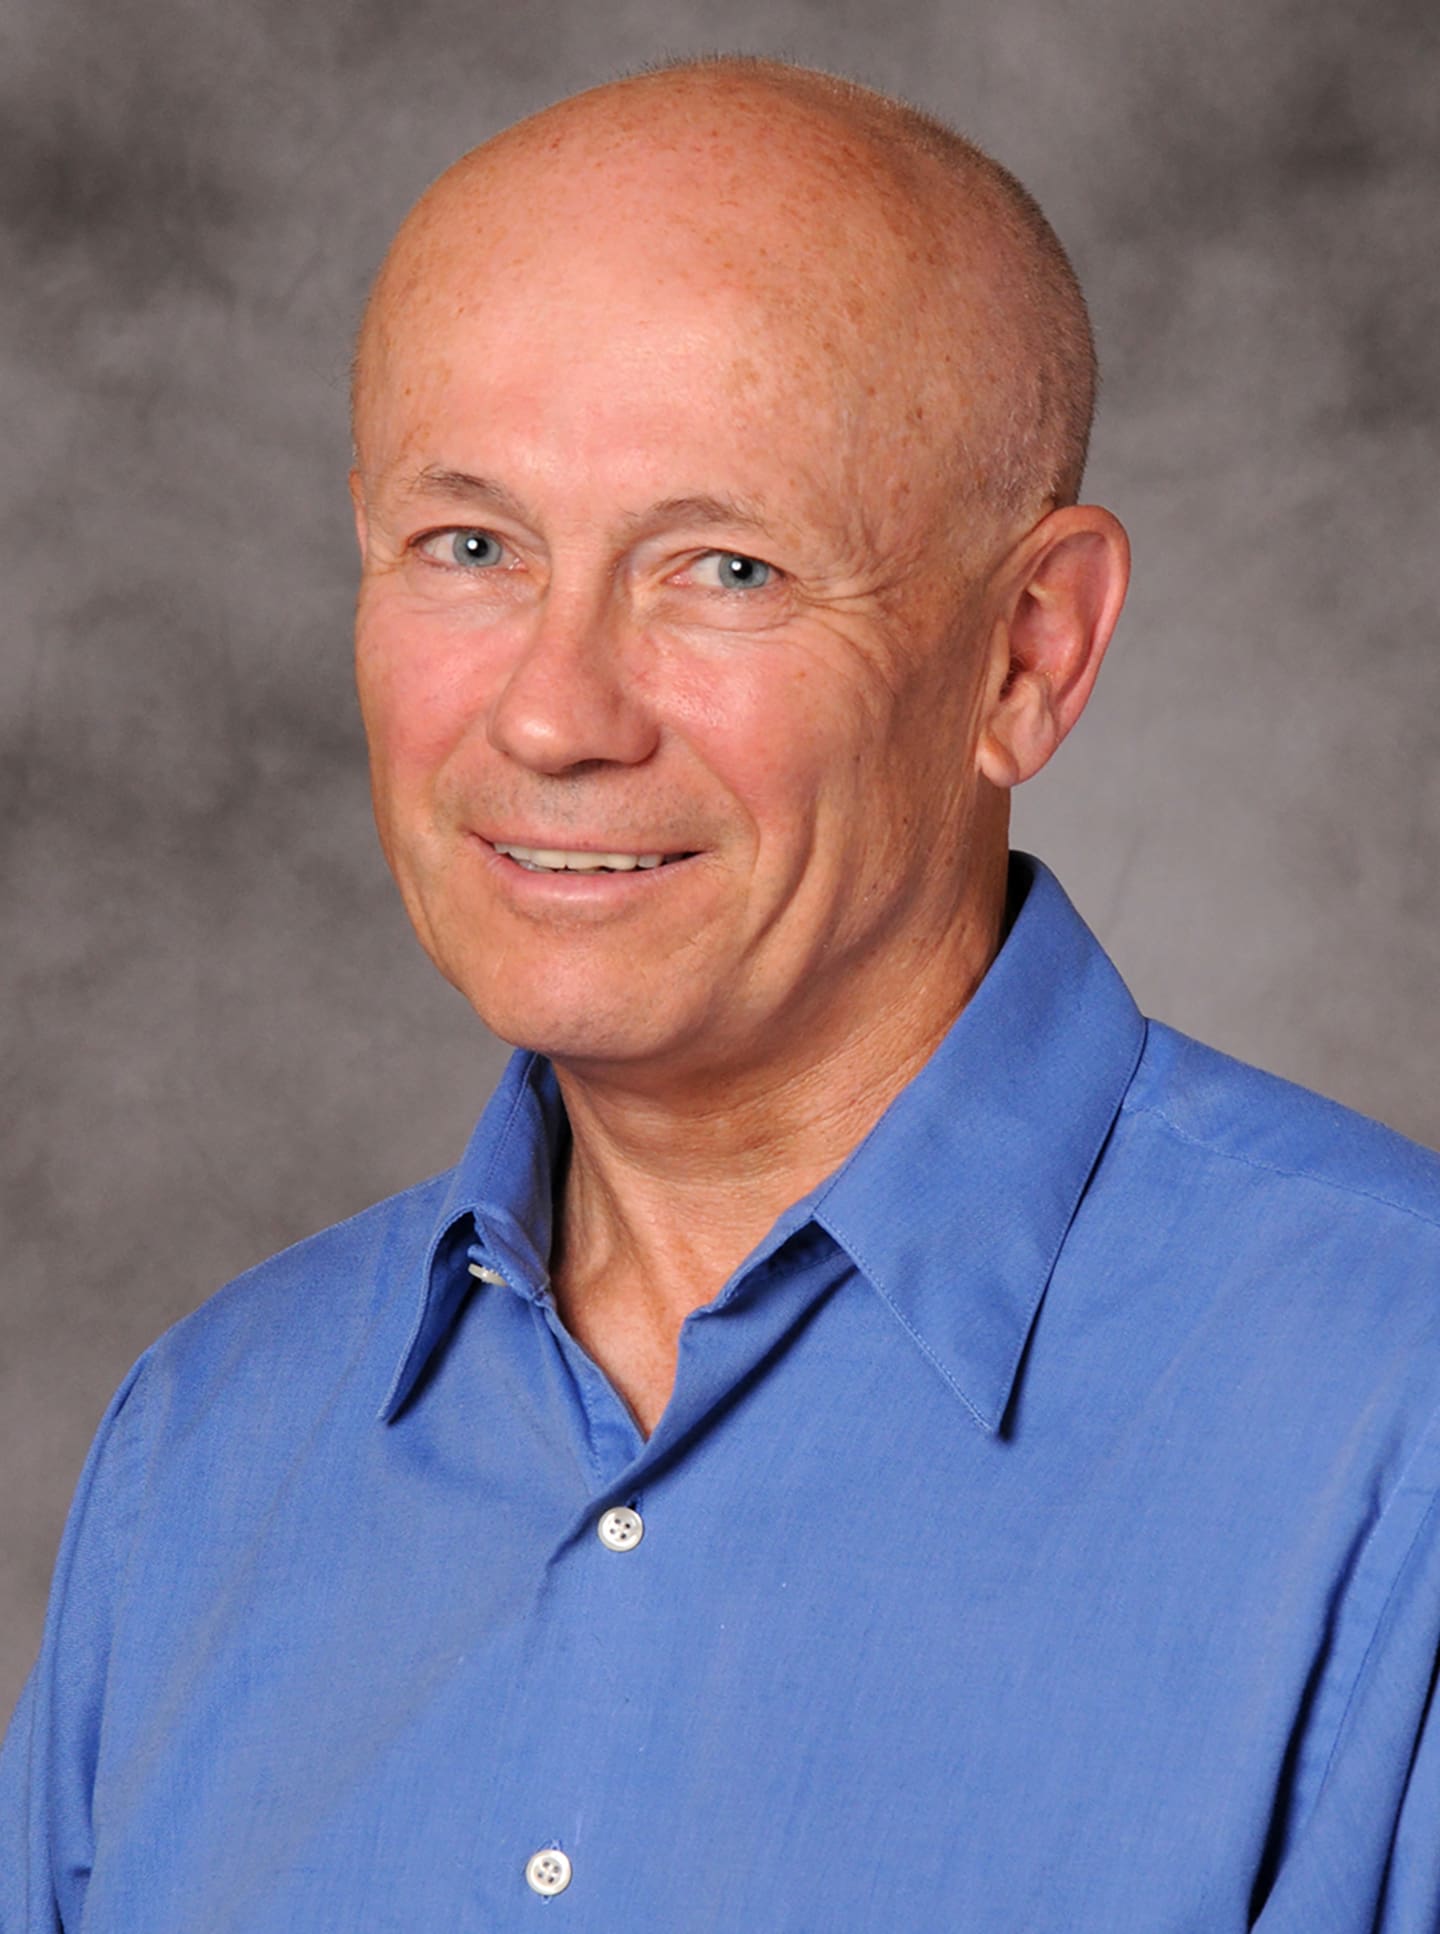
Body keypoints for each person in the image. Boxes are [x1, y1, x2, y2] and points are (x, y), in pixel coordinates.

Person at [3, 55, 1439, 1933]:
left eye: (726, 567)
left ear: (1031, 651)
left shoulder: (1391, 1414)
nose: (549, 711)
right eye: (469, 547)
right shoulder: (201, 1449)